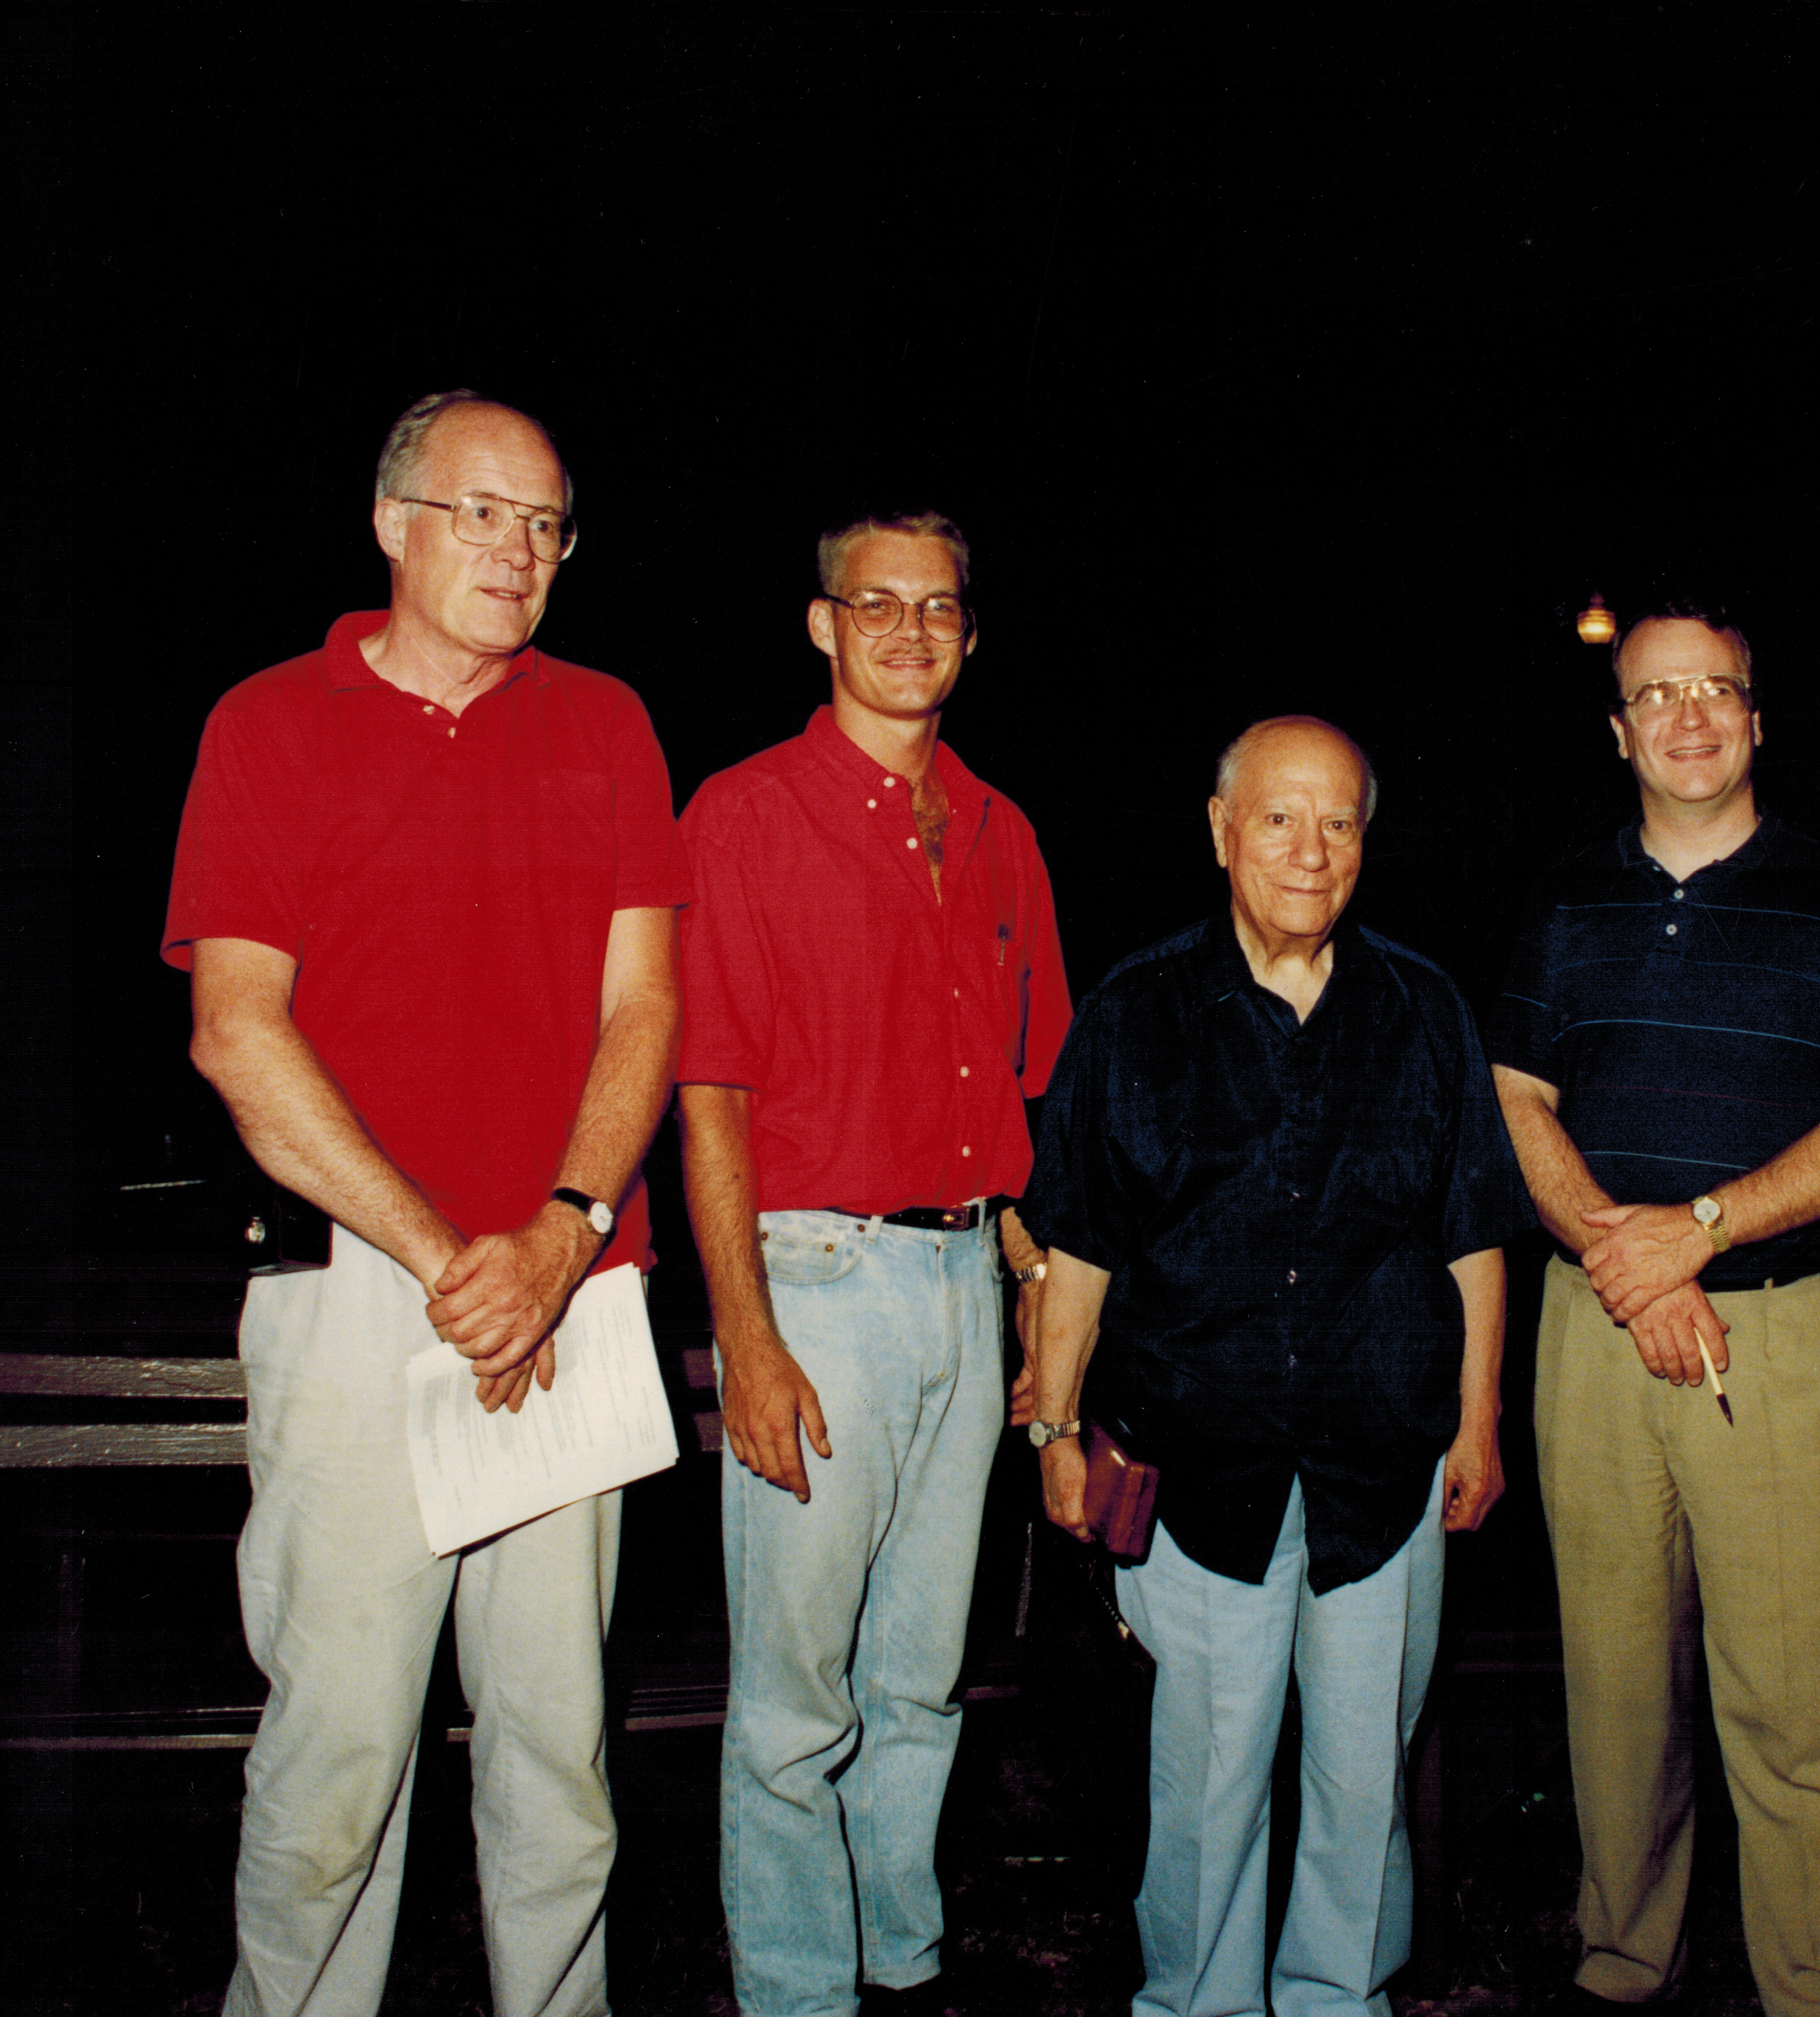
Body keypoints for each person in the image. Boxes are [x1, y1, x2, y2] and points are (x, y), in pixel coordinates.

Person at [165, 389, 683, 2017]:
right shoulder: (267, 723)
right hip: (359, 1297)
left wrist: (560, 1229)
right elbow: (237, 1031)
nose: (519, 551)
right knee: (338, 1754)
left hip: (575, 1284)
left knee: (556, 1752)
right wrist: (454, 1257)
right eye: (482, 513)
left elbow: (646, 1010)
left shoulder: (607, 723)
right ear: (394, 525)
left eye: (547, 524)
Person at [1021, 716, 1528, 2017]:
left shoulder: (1425, 1009)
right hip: (1195, 1473)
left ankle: (1335, 1998)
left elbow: (1474, 1234)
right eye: (1280, 818)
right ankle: (1198, 2001)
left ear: (1368, 841)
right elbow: (1076, 1250)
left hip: (1385, 1467)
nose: (1311, 850)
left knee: (1366, 1778)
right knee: (1206, 1778)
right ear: (1220, 831)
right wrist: (1055, 1434)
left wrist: (1477, 1427)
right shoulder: (1135, 1012)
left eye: (1341, 822)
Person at [1490, 602, 1820, 2015]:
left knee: (1801, 1711)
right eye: (1655, 695)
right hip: (1591, 1333)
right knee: (1615, 1699)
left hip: (1781, 1334)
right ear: (1619, 730)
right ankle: (1626, 1966)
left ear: (1756, 718)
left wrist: (1703, 1232)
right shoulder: (1563, 898)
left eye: (1714, 692)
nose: (1686, 717)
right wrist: (1629, 1261)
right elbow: (1517, 1100)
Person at [674, 509, 1071, 2015]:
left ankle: (898, 1965)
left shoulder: (1000, 829)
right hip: (817, 1284)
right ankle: (793, 1988)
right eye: (877, 603)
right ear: (822, 625)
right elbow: (709, 1096)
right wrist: (748, 1336)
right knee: (794, 1697)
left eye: (941, 607)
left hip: (969, 1282)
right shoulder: (745, 816)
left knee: (920, 1676)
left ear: (972, 634)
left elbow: (1033, 1099)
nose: (911, 631)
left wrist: (1042, 1305)